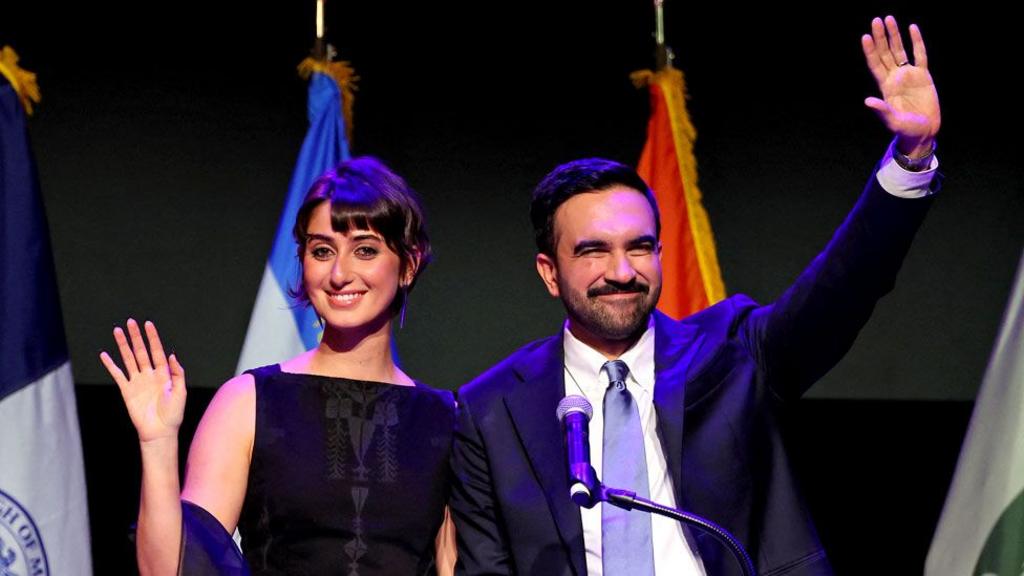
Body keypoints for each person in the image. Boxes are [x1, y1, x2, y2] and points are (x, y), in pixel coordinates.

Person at [450, 16, 941, 576]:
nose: (621, 270)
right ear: (549, 271)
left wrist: (910, 158)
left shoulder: (734, 353)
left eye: (640, 247)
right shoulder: (490, 409)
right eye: (592, 251)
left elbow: (842, 289)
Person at [100, 157, 456, 576]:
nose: (340, 273)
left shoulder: (446, 418)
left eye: (365, 249)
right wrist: (157, 444)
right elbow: (171, 570)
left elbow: (453, 565)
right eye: (322, 251)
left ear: (409, 265)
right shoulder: (249, 401)